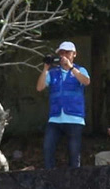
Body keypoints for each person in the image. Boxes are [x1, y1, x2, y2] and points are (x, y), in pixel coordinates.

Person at [36, 39, 89, 169]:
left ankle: (74, 180)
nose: (64, 56)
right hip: (55, 117)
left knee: (73, 153)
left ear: (74, 54)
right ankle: (49, 177)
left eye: (67, 53)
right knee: (48, 147)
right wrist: (46, 68)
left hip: (74, 118)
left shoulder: (80, 70)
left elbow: (86, 81)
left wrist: (71, 68)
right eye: (61, 53)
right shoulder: (53, 73)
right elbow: (39, 87)